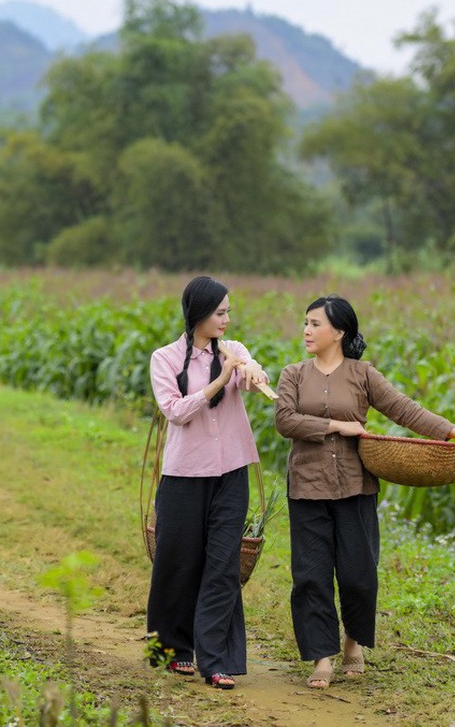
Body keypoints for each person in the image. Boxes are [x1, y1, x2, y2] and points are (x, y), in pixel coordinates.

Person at [274, 295, 455, 689]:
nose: (306, 330)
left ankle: (353, 641)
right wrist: (338, 425)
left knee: (359, 575)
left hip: (356, 487)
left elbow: (405, 409)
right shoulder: (293, 373)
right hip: (307, 488)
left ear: (339, 331)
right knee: (311, 577)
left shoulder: (363, 374)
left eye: (315, 324)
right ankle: (322, 658)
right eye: (305, 323)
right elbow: (285, 421)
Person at [146, 275, 271, 690]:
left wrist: (253, 372)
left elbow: (253, 371)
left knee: (222, 566)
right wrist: (219, 381)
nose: (227, 320)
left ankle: (216, 659)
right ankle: (172, 649)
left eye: (229, 312)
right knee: (178, 561)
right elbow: (176, 412)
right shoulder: (163, 358)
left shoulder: (233, 351)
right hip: (184, 475)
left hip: (232, 471)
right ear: (199, 313)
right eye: (220, 313)